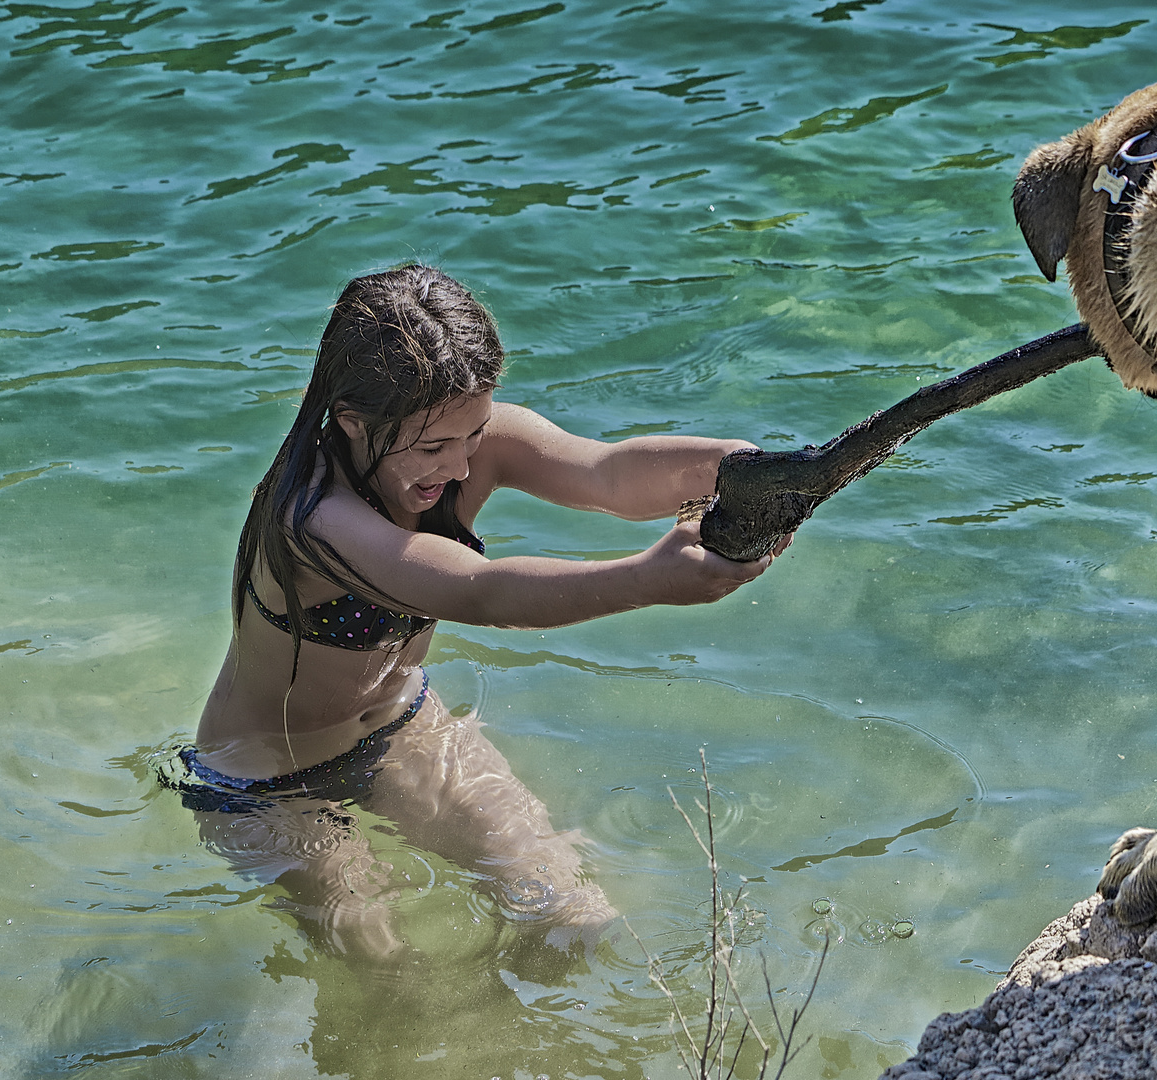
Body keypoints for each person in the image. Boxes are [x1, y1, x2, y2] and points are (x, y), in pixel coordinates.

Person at [166, 263, 781, 962]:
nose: (459, 467)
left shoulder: (461, 445)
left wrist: (736, 468)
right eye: (433, 447)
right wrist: (646, 580)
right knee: (390, 967)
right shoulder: (313, 516)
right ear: (352, 422)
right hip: (269, 782)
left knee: (571, 913)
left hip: (402, 728)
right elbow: (476, 591)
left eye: (474, 434)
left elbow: (607, 476)